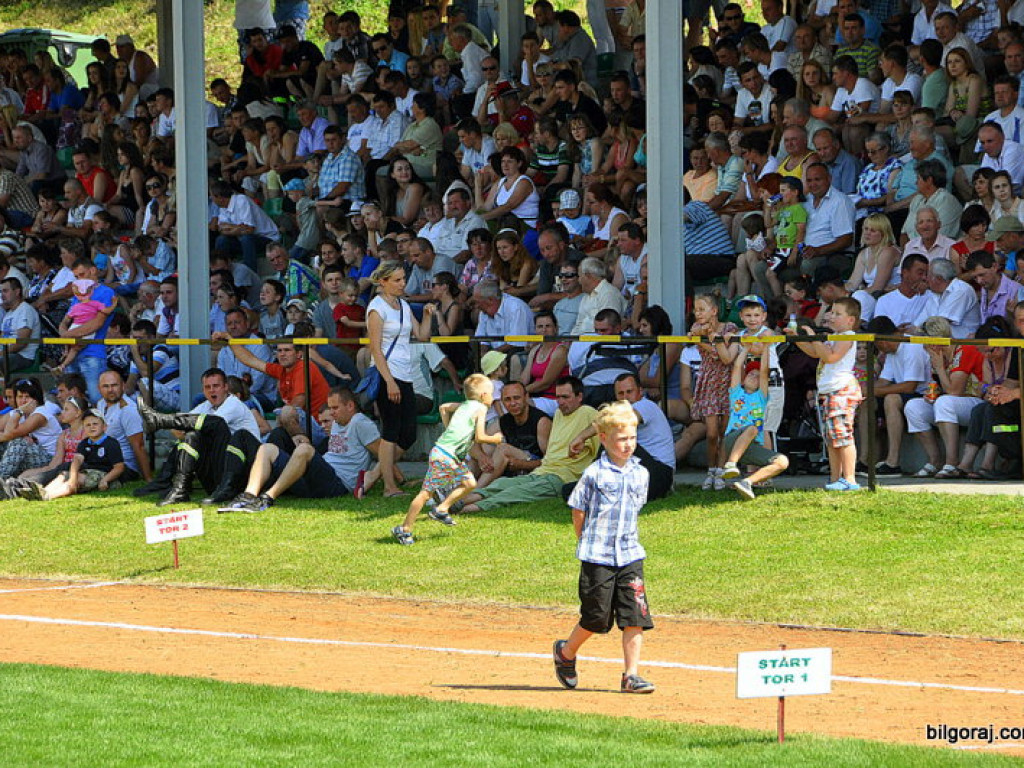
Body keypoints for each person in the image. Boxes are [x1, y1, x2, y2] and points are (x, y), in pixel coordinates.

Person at [552, 399, 655, 695]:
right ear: (604, 439)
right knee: (596, 617)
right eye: (621, 439)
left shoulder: (641, 473)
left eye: (632, 438)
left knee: (635, 616)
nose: (628, 444)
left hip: (630, 554)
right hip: (597, 556)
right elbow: (578, 509)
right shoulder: (594, 474)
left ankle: (631, 676)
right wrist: (584, 540)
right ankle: (566, 653)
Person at [219, 387, 381, 513]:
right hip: (319, 478)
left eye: (335, 408)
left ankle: (267, 498)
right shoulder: (339, 422)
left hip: (338, 484)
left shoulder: (360, 423)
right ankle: (248, 496)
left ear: (350, 406)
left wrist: (374, 476)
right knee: (267, 448)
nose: (331, 413)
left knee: (305, 449)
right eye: (330, 408)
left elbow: (385, 455)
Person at [392, 374, 503, 545]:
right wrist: (495, 439)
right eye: (491, 394)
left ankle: (441, 509)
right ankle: (405, 528)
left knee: (469, 483)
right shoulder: (481, 408)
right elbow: (480, 437)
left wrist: (449, 429)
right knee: (425, 494)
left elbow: (443, 408)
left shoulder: (465, 405)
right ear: (483, 395)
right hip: (446, 456)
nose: (493, 398)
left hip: (446, 454)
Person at [460, 376, 599, 513]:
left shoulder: (588, 413)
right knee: (502, 483)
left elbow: (607, 421)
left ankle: (466, 509)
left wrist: (582, 437)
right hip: (542, 471)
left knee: (515, 492)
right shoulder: (559, 414)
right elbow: (475, 442)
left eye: (565, 397)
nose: (560, 402)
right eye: (558, 397)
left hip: (562, 477)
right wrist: (481, 457)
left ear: (579, 396)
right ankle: (460, 501)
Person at [134, 367, 261, 505]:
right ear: (203, 390)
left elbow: (211, 424)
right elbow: (181, 426)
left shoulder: (233, 403)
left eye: (216, 386)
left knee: (215, 424)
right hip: (216, 477)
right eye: (207, 387)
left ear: (226, 387)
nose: (212, 390)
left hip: (243, 475)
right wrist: (183, 429)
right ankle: (177, 487)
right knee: (193, 435)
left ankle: (160, 421)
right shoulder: (206, 406)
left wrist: (178, 425)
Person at [365, 261, 436, 498]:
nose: (402, 283)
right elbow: (375, 349)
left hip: (404, 374)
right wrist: (389, 381)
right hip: (387, 374)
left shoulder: (403, 305)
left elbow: (422, 336)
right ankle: (389, 486)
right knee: (391, 430)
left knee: (408, 433)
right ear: (383, 282)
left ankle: (374, 475)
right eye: (397, 280)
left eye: (403, 279)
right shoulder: (376, 308)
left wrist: (427, 315)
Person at [785, 296, 863, 491]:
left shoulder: (847, 336)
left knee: (843, 436)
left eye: (837, 313)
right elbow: (815, 353)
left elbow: (830, 356)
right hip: (830, 391)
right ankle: (835, 478)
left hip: (841, 390)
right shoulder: (834, 336)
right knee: (832, 438)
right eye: (831, 312)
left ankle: (850, 479)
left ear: (850, 320)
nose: (831, 316)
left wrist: (814, 337)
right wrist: (797, 338)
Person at [8, 409, 124, 502]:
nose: (91, 427)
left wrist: (105, 480)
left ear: (104, 427)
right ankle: (43, 492)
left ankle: (48, 496)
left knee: (77, 479)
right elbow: (77, 460)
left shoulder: (111, 443)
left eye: (95, 424)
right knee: (63, 475)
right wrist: (72, 477)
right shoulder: (84, 443)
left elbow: (119, 467)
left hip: (105, 475)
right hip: (88, 472)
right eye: (87, 425)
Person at [720, 345, 790, 500]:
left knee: (782, 461)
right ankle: (730, 464)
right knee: (752, 428)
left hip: (751, 445)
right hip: (733, 440)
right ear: (744, 379)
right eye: (751, 373)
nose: (754, 377)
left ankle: (747, 482)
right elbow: (737, 366)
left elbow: (764, 371)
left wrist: (766, 347)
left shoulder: (761, 397)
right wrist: (746, 347)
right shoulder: (736, 393)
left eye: (758, 377)